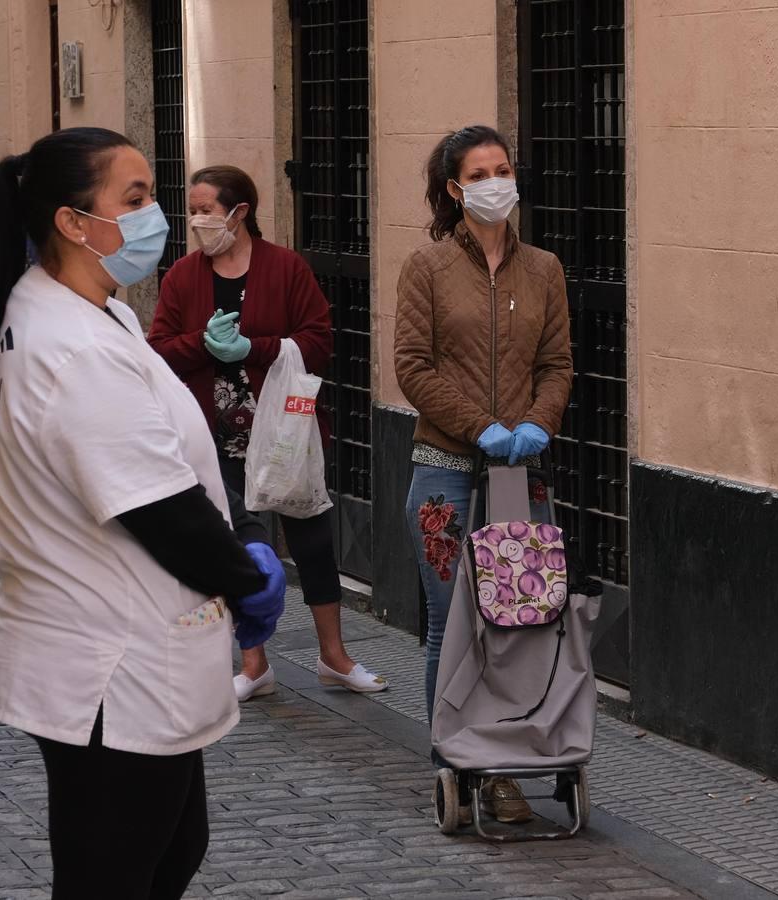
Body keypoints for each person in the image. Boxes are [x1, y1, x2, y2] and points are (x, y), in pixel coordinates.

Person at [0, 127, 287, 900]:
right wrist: (243, 575)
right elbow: (158, 506)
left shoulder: (90, 316)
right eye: (132, 200)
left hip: (116, 653)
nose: (155, 216)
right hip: (111, 665)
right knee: (117, 871)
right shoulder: (69, 347)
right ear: (73, 221)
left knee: (170, 849)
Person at [148, 165, 386, 701]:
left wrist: (253, 348)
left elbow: (319, 340)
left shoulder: (286, 268)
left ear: (240, 213)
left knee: (314, 544)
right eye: (195, 209)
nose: (198, 220)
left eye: (207, 209)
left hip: (286, 434)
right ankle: (253, 663)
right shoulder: (183, 277)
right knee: (241, 548)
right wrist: (202, 345)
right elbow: (159, 351)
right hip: (216, 437)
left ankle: (334, 657)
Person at [394, 125, 573, 825]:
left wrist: (538, 422)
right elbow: (412, 364)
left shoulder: (544, 270)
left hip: (516, 477)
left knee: (515, 620)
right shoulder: (427, 267)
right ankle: (453, 761)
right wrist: (479, 427)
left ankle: (504, 768)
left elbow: (556, 363)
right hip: (443, 470)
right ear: (453, 188)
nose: (496, 181)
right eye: (480, 172)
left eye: (503, 168)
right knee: (453, 624)